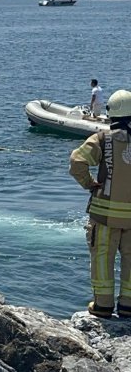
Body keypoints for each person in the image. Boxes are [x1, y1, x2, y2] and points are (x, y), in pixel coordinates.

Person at [69, 89, 131, 319]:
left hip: (103, 214)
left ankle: (103, 305)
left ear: (111, 114)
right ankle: (128, 305)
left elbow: (77, 160)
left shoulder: (103, 139)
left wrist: (90, 184)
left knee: (103, 257)